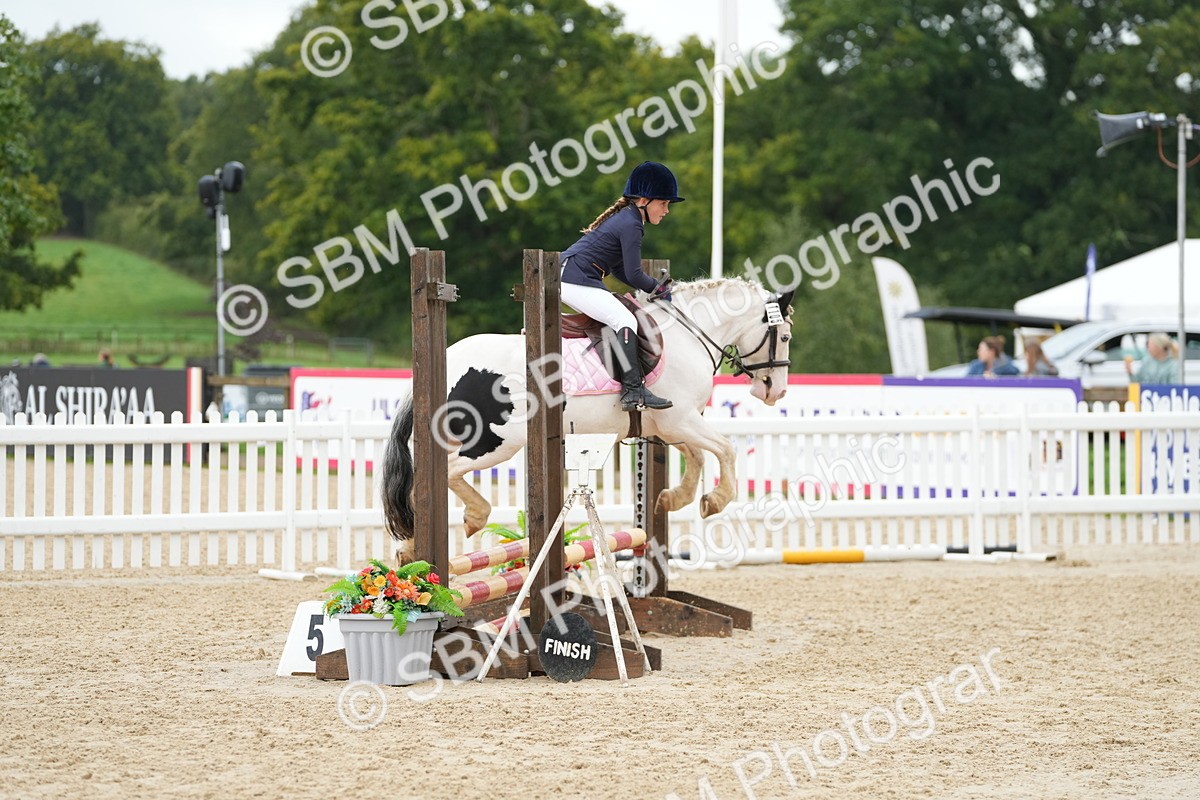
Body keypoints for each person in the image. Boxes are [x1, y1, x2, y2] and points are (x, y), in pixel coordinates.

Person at [560, 161, 682, 411]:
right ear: (644, 201)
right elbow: (636, 274)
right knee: (625, 320)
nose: (667, 210)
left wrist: (651, 288)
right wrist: (658, 289)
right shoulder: (632, 223)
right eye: (664, 203)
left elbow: (620, 270)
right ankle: (632, 392)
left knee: (621, 315)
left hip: (575, 275)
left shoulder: (628, 218)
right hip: (573, 277)